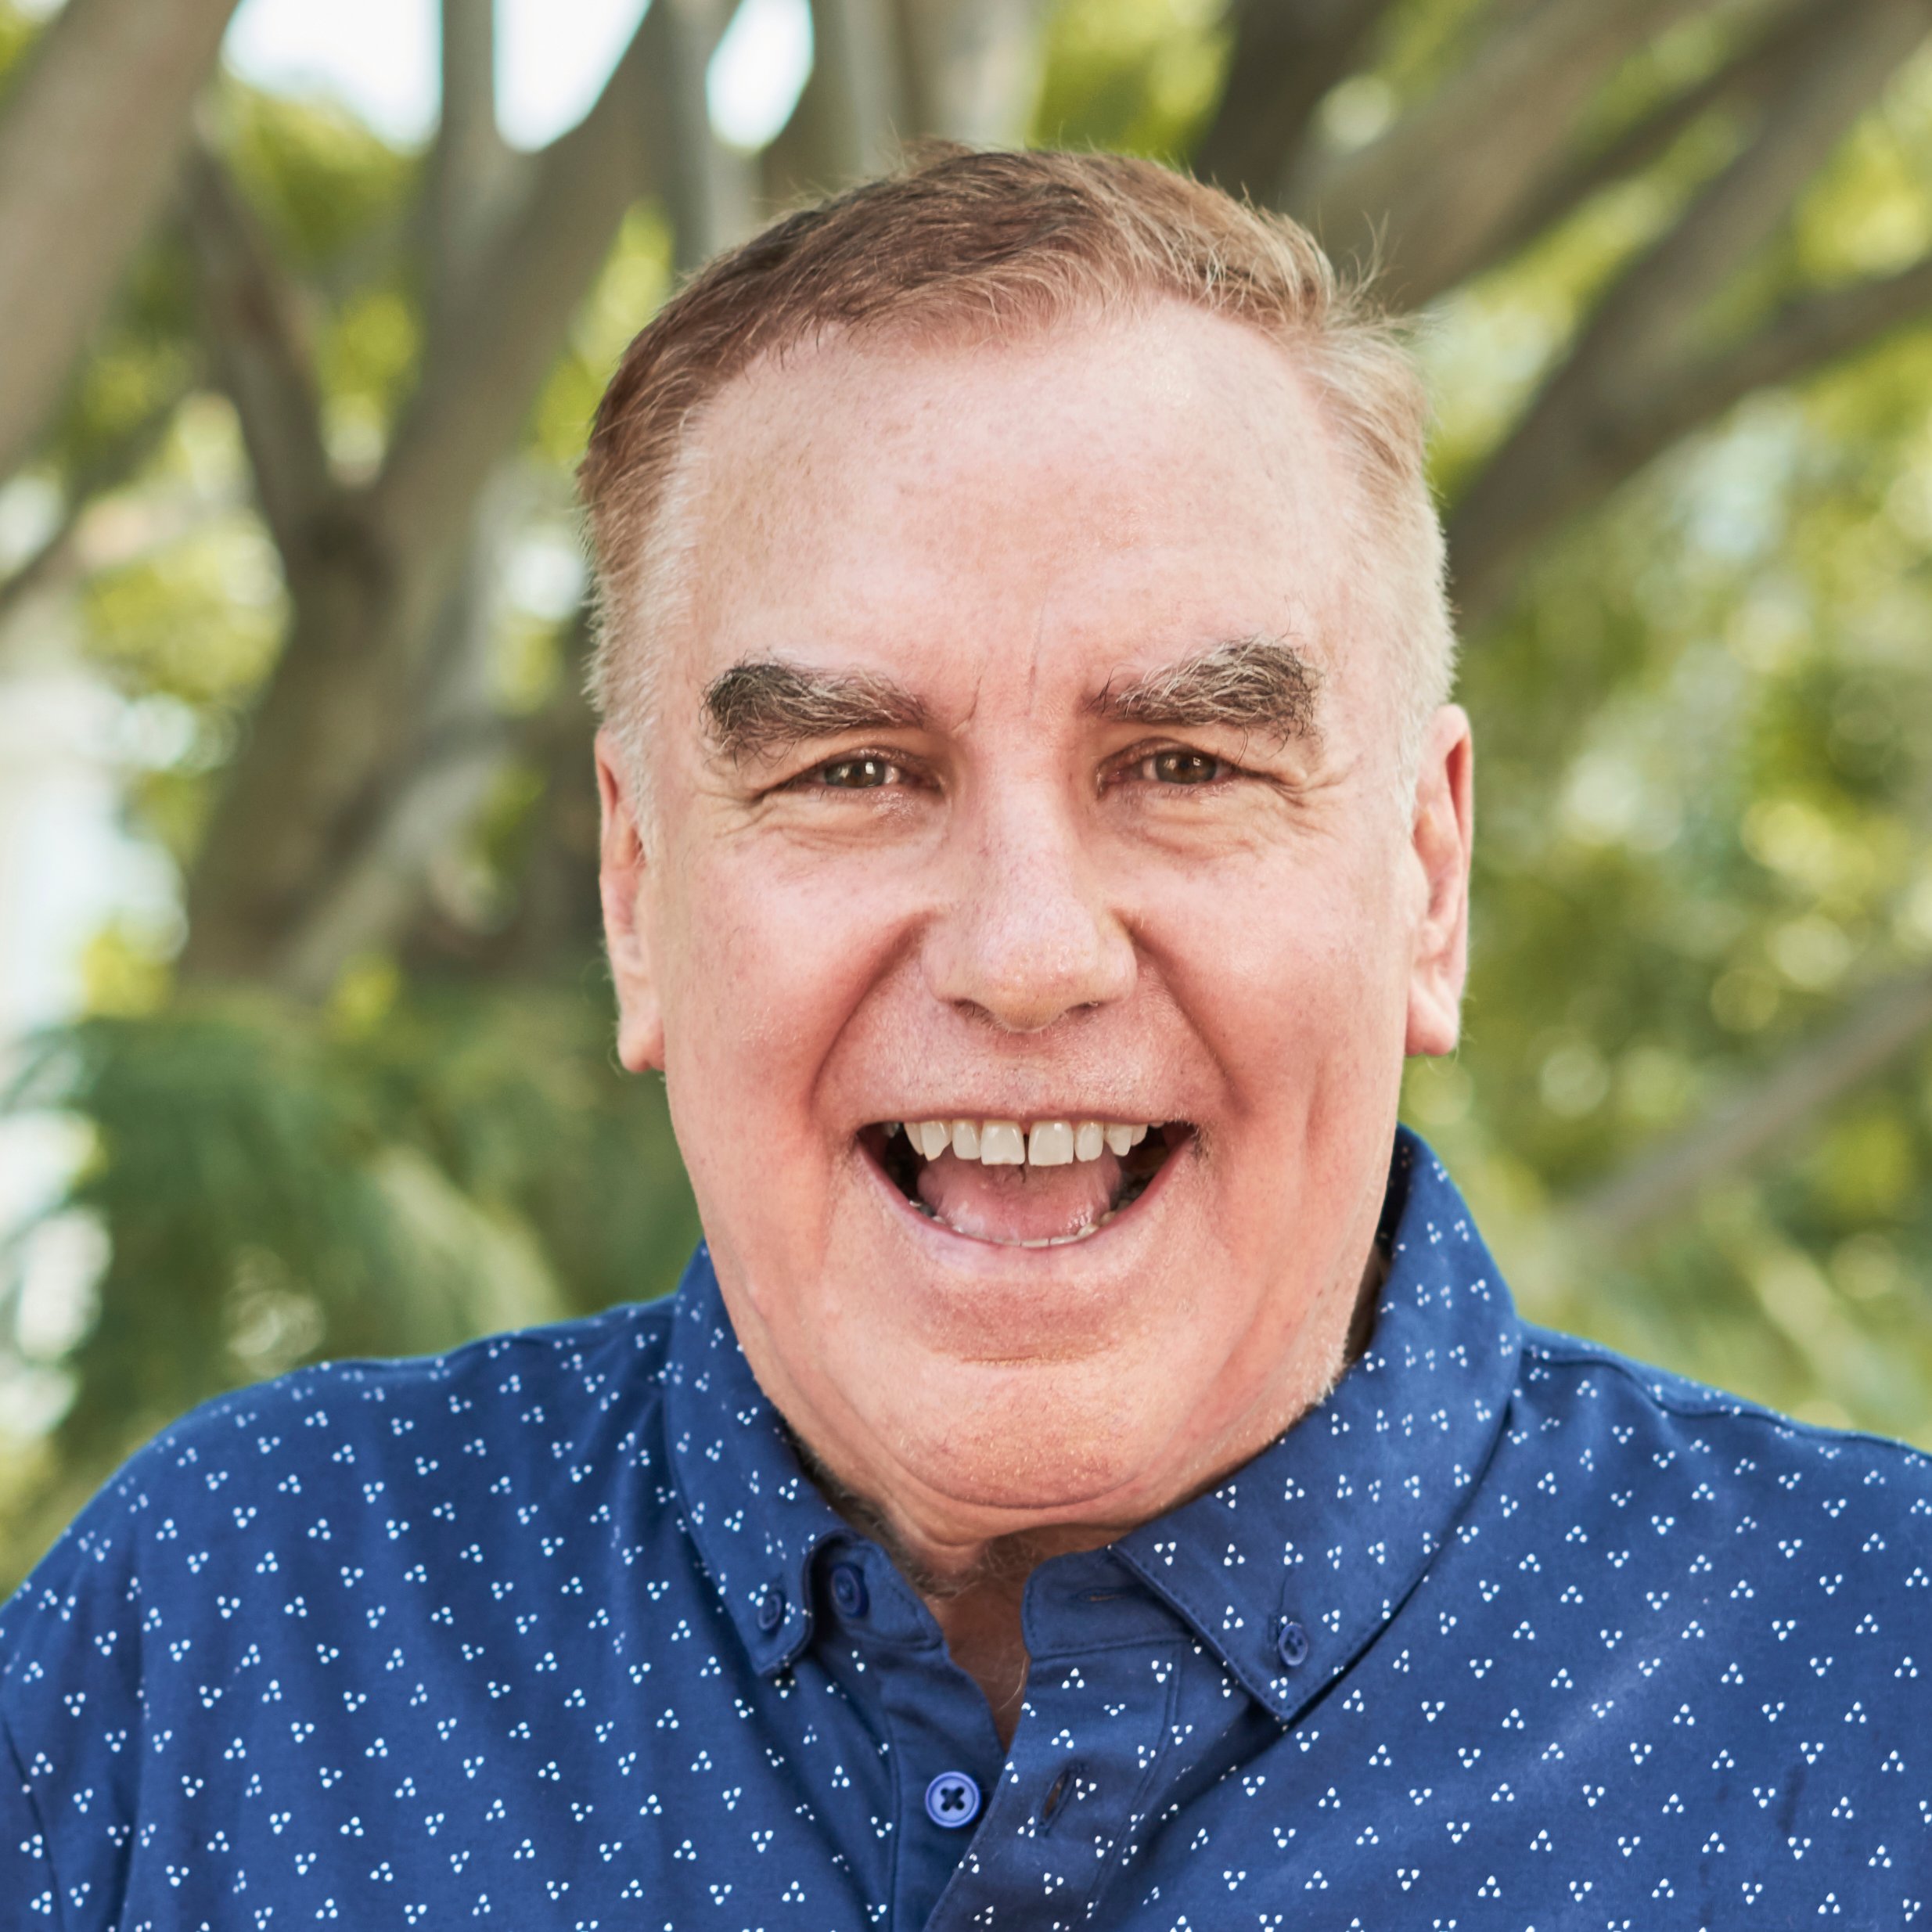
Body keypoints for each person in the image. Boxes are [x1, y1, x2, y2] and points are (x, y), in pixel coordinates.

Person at [4, 146, 1927, 1931]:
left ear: (1425, 878)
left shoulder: (1882, 1694)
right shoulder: (227, 1639)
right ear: (633, 894)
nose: (1023, 952)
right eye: (852, 769)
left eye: (1181, 761)